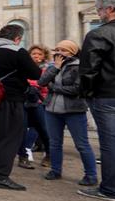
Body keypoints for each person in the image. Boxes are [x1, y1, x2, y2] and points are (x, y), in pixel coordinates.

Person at [78, 0, 115, 201]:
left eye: (100, 9)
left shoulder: (99, 34)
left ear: (110, 10)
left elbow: (88, 71)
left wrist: (87, 95)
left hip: (109, 96)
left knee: (112, 144)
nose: (99, 13)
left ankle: (110, 189)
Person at [0, 24, 41, 191]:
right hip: (9, 99)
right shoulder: (16, 51)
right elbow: (35, 74)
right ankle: (0, 176)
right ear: (17, 38)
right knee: (8, 137)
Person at [37, 39, 97, 185]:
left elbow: (77, 89)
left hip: (74, 110)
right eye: (57, 49)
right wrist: (56, 67)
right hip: (52, 109)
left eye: (63, 50)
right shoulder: (54, 66)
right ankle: (56, 171)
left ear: (73, 52)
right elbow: (42, 82)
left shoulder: (79, 67)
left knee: (81, 144)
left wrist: (55, 88)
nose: (59, 53)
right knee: (55, 143)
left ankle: (91, 176)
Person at [17, 44, 51, 170]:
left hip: (39, 103)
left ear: (44, 57)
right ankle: (23, 156)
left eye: (39, 54)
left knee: (44, 130)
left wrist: (33, 84)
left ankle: (49, 154)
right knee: (21, 130)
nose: (36, 56)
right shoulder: (23, 68)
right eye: (33, 54)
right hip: (24, 101)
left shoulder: (47, 69)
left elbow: (45, 86)